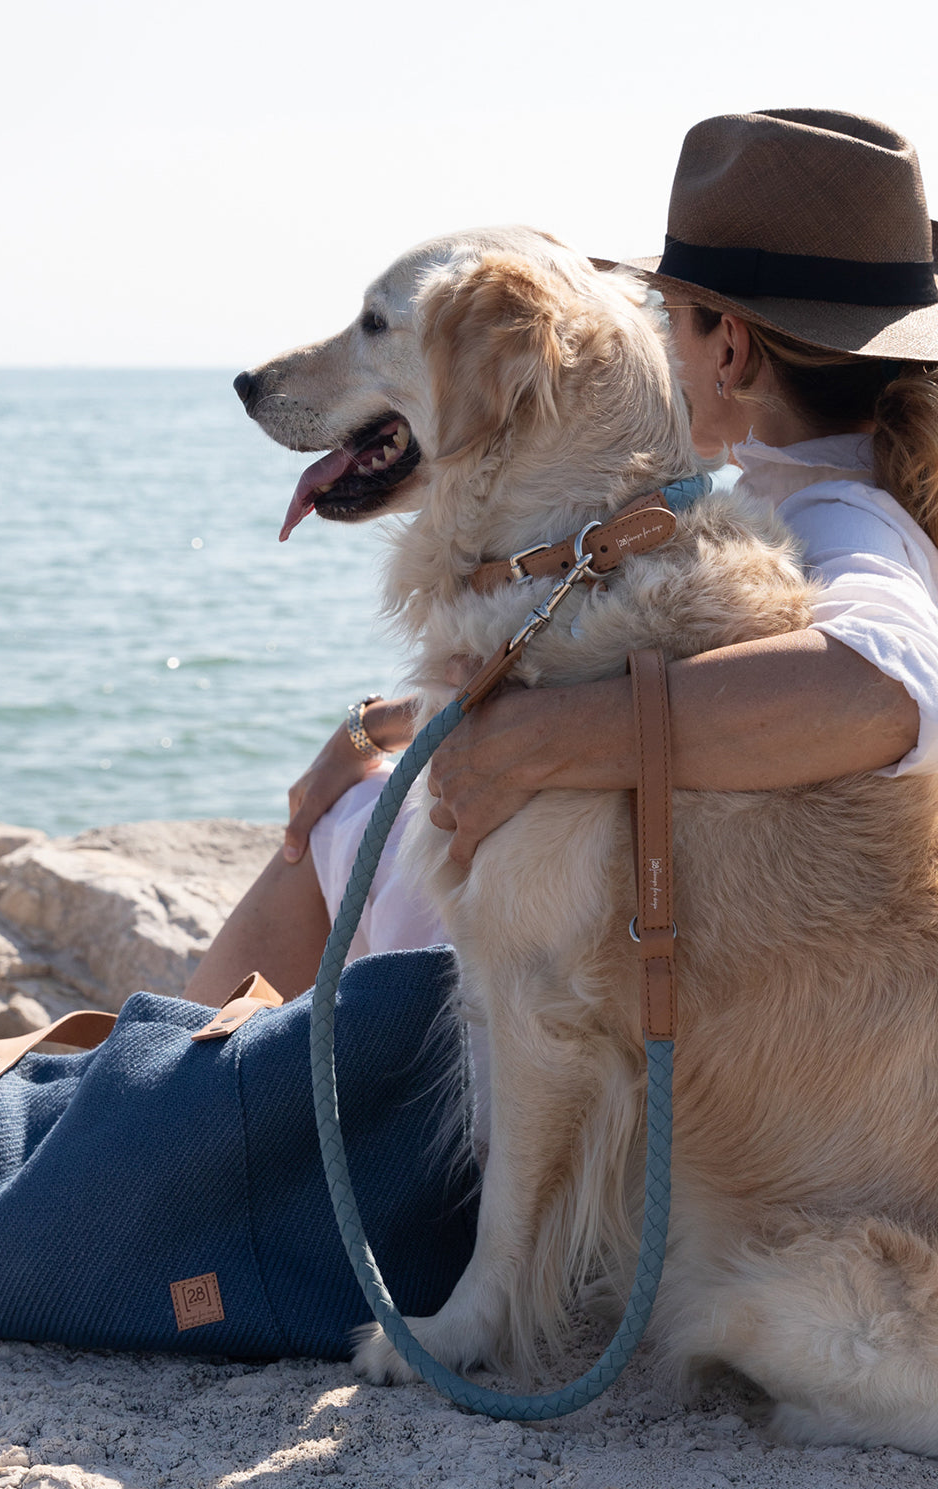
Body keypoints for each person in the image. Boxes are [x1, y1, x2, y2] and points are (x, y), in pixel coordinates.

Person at [185, 107, 938, 1012]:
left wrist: (535, 740)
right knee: (367, 800)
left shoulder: (837, 521)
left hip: (663, 965)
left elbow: (892, 689)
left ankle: (155, 1113)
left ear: (728, 348)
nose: (654, 351)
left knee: (339, 830)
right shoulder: (817, 492)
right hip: (712, 942)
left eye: (675, 322)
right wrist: (400, 724)